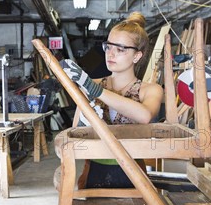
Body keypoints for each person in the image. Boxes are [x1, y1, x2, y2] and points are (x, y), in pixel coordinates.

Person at [61, 12, 163, 189]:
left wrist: (94, 90)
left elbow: (145, 115)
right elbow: (76, 132)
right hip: (92, 171)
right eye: (108, 47)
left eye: (120, 49)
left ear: (137, 56)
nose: (111, 54)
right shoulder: (90, 84)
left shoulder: (150, 90)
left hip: (133, 174)